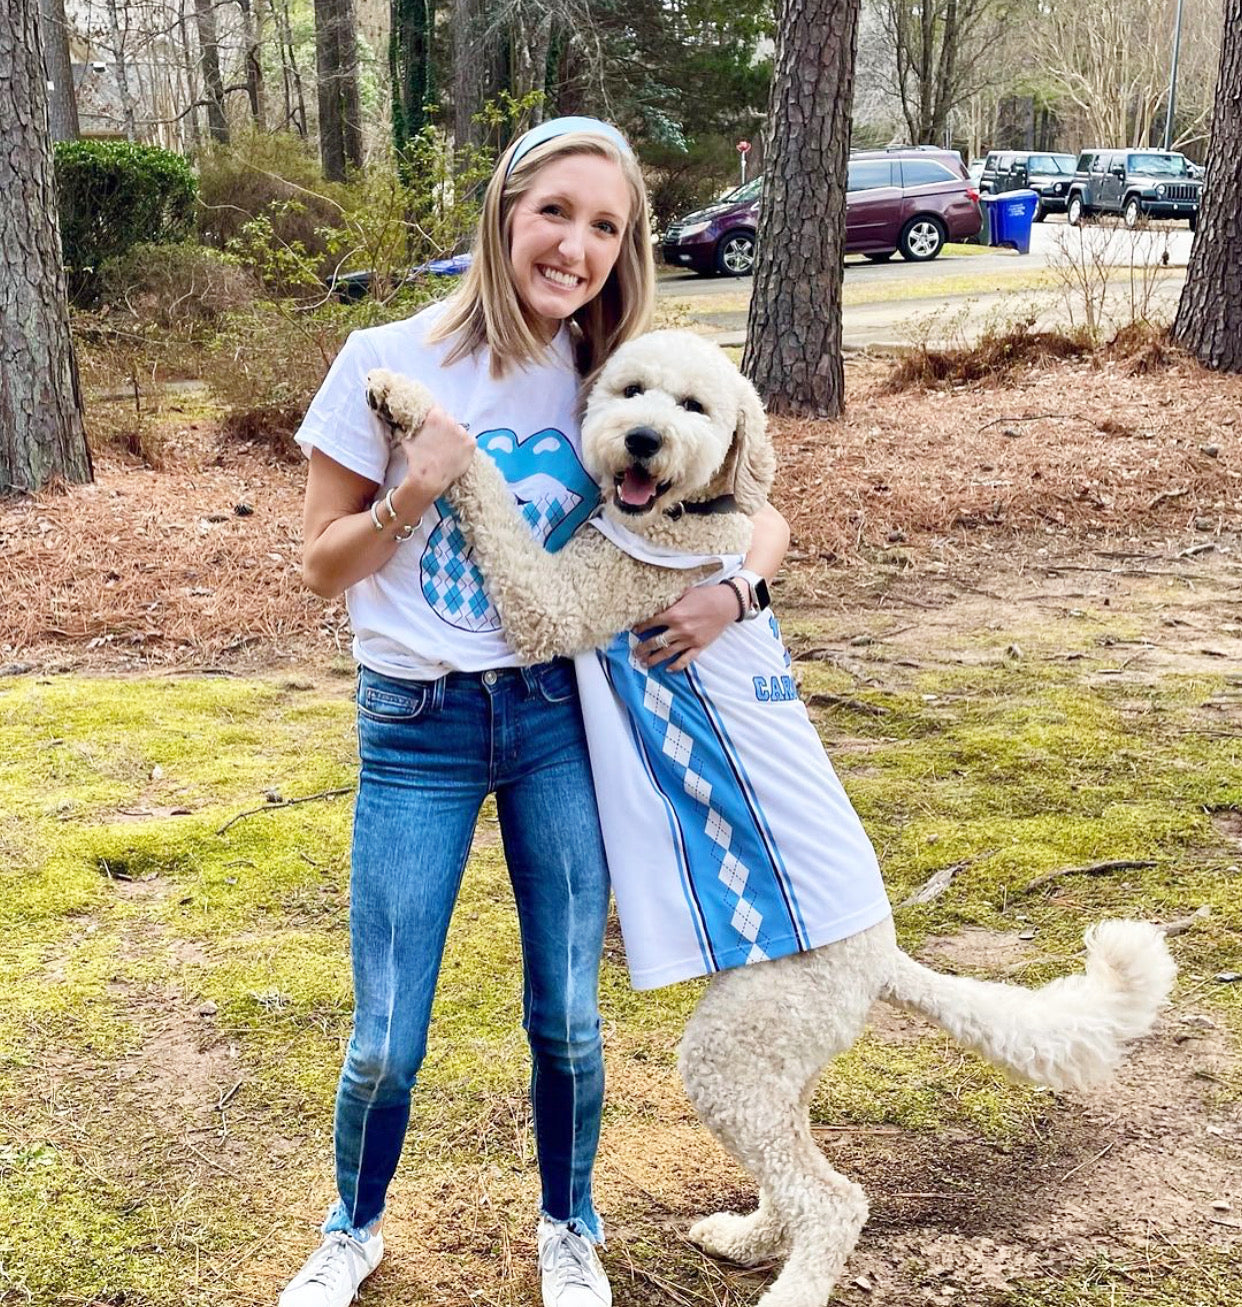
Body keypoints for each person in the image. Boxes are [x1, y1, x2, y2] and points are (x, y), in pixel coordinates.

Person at [282, 116, 791, 1307]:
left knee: (565, 1008)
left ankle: (571, 1223)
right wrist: (418, 484)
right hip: (417, 726)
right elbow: (319, 564)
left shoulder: (613, 378)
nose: (576, 244)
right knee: (387, 1029)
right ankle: (350, 1226)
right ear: (506, 210)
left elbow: (756, 504)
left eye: (605, 226)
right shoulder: (386, 353)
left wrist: (736, 593)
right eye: (556, 211)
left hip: (562, 717)